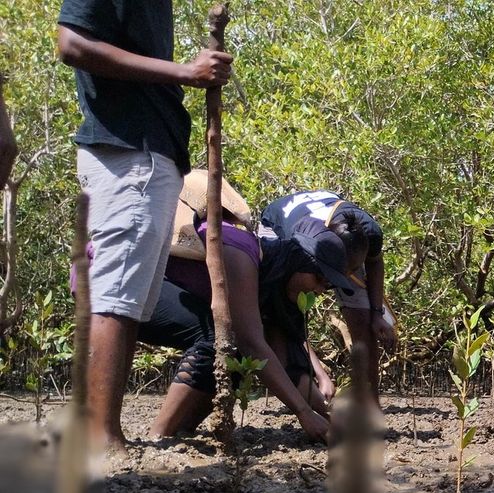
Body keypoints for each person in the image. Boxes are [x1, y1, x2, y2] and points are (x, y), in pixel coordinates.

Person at [57, 0, 234, 451]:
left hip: (149, 153)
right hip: (129, 150)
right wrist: (184, 72)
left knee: (130, 298)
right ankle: (99, 437)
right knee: (117, 297)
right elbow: (73, 42)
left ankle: (105, 433)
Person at [135, 212, 367, 442]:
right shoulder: (243, 253)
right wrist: (304, 413)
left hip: (153, 296)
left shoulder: (274, 290)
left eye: (326, 287)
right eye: (318, 279)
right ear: (299, 261)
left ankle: (178, 434)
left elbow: (284, 364)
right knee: (220, 340)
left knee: (234, 365)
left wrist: (329, 415)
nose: (318, 291)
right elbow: (251, 343)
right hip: (131, 285)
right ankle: (159, 437)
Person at [260, 191, 393, 407]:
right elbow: (290, 322)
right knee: (279, 313)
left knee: (363, 319)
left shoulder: (369, 233)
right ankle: (305, 393)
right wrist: (320, 374)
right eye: (327, 280)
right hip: (281, 224)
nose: (325, 291)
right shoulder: (294, 244)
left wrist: (377, 314)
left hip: (343, 239)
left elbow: (375, 263)